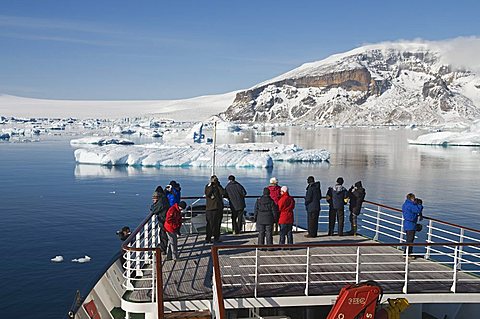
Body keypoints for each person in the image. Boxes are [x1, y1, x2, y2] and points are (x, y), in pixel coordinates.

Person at [205, 175, 226, 243]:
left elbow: (223, 193)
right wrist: (211, 185)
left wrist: (218, 185)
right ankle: (208, 238)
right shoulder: (208, 186)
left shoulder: (218, 186)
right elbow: (207, 193)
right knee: (210, 224)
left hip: (218, 208)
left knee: (218, 224)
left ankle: (216, 237)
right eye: (214, 180)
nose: (215, 181)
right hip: (211, 209)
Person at [402, 193, 424, 258]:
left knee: (410, 239)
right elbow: (418, 210)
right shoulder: (410, 205)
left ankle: (409, 253)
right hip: (410, 225)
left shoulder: (406, 204)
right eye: (414, 198)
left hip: (407, 224)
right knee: (410, 240)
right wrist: (419, 204)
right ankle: (407, 254)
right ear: (412, 198)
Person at [151, 187, 170, 252]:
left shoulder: (161, 201)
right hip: (165, 218)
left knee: (163, 234)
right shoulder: (164, 198)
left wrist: (154, 204)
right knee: (163, 234)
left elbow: (154, 210)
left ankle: (163, 248)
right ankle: (164, 247)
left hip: (163, 219)